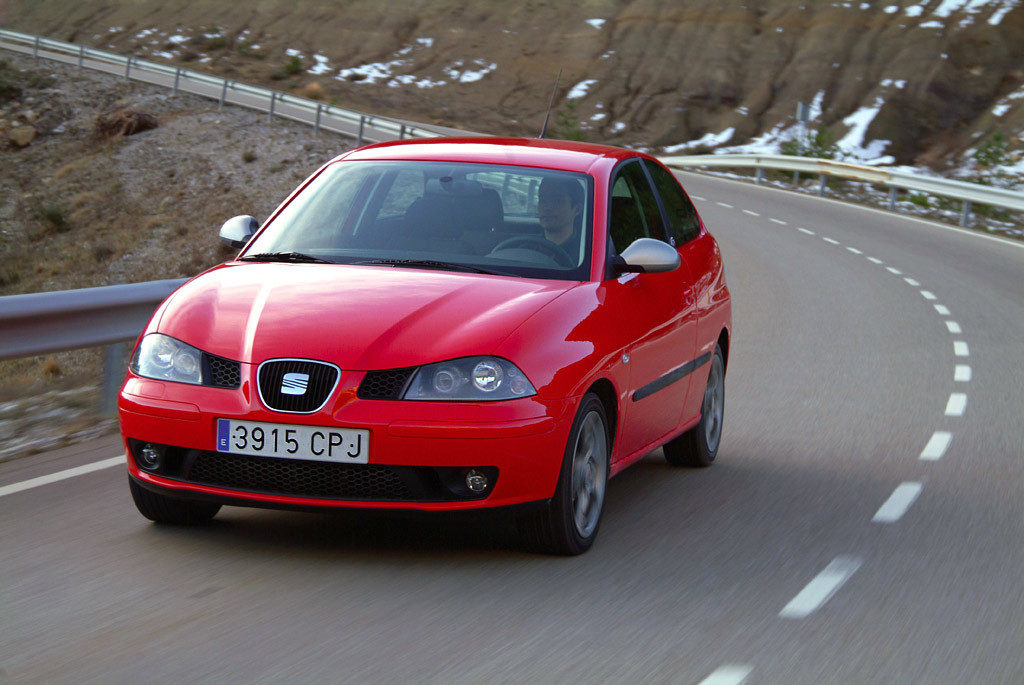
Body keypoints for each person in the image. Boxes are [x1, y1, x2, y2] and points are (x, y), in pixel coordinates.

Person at [537, 176, 583, 247]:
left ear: (577, 209)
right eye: (542, 200)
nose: (547, 207)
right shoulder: (526, 248)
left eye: (556, 200)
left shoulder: (588, 251)